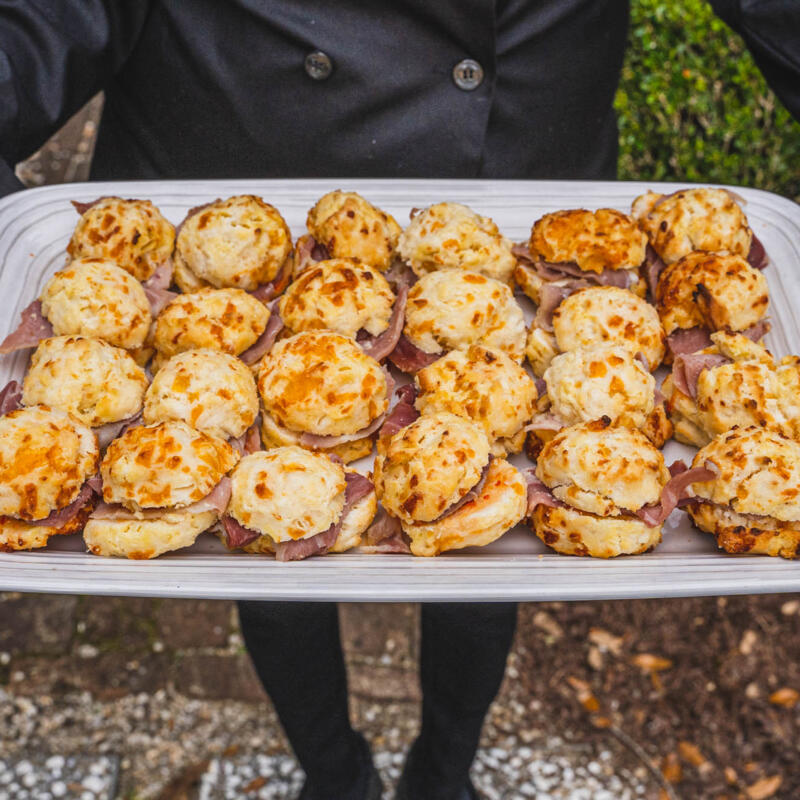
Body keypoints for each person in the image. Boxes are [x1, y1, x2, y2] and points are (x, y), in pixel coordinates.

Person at [0, 3, 797, 799]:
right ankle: (333, 774)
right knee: (267, 571)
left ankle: (443, 773)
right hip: (230, 128)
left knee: (488, 581)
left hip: (527, 141)